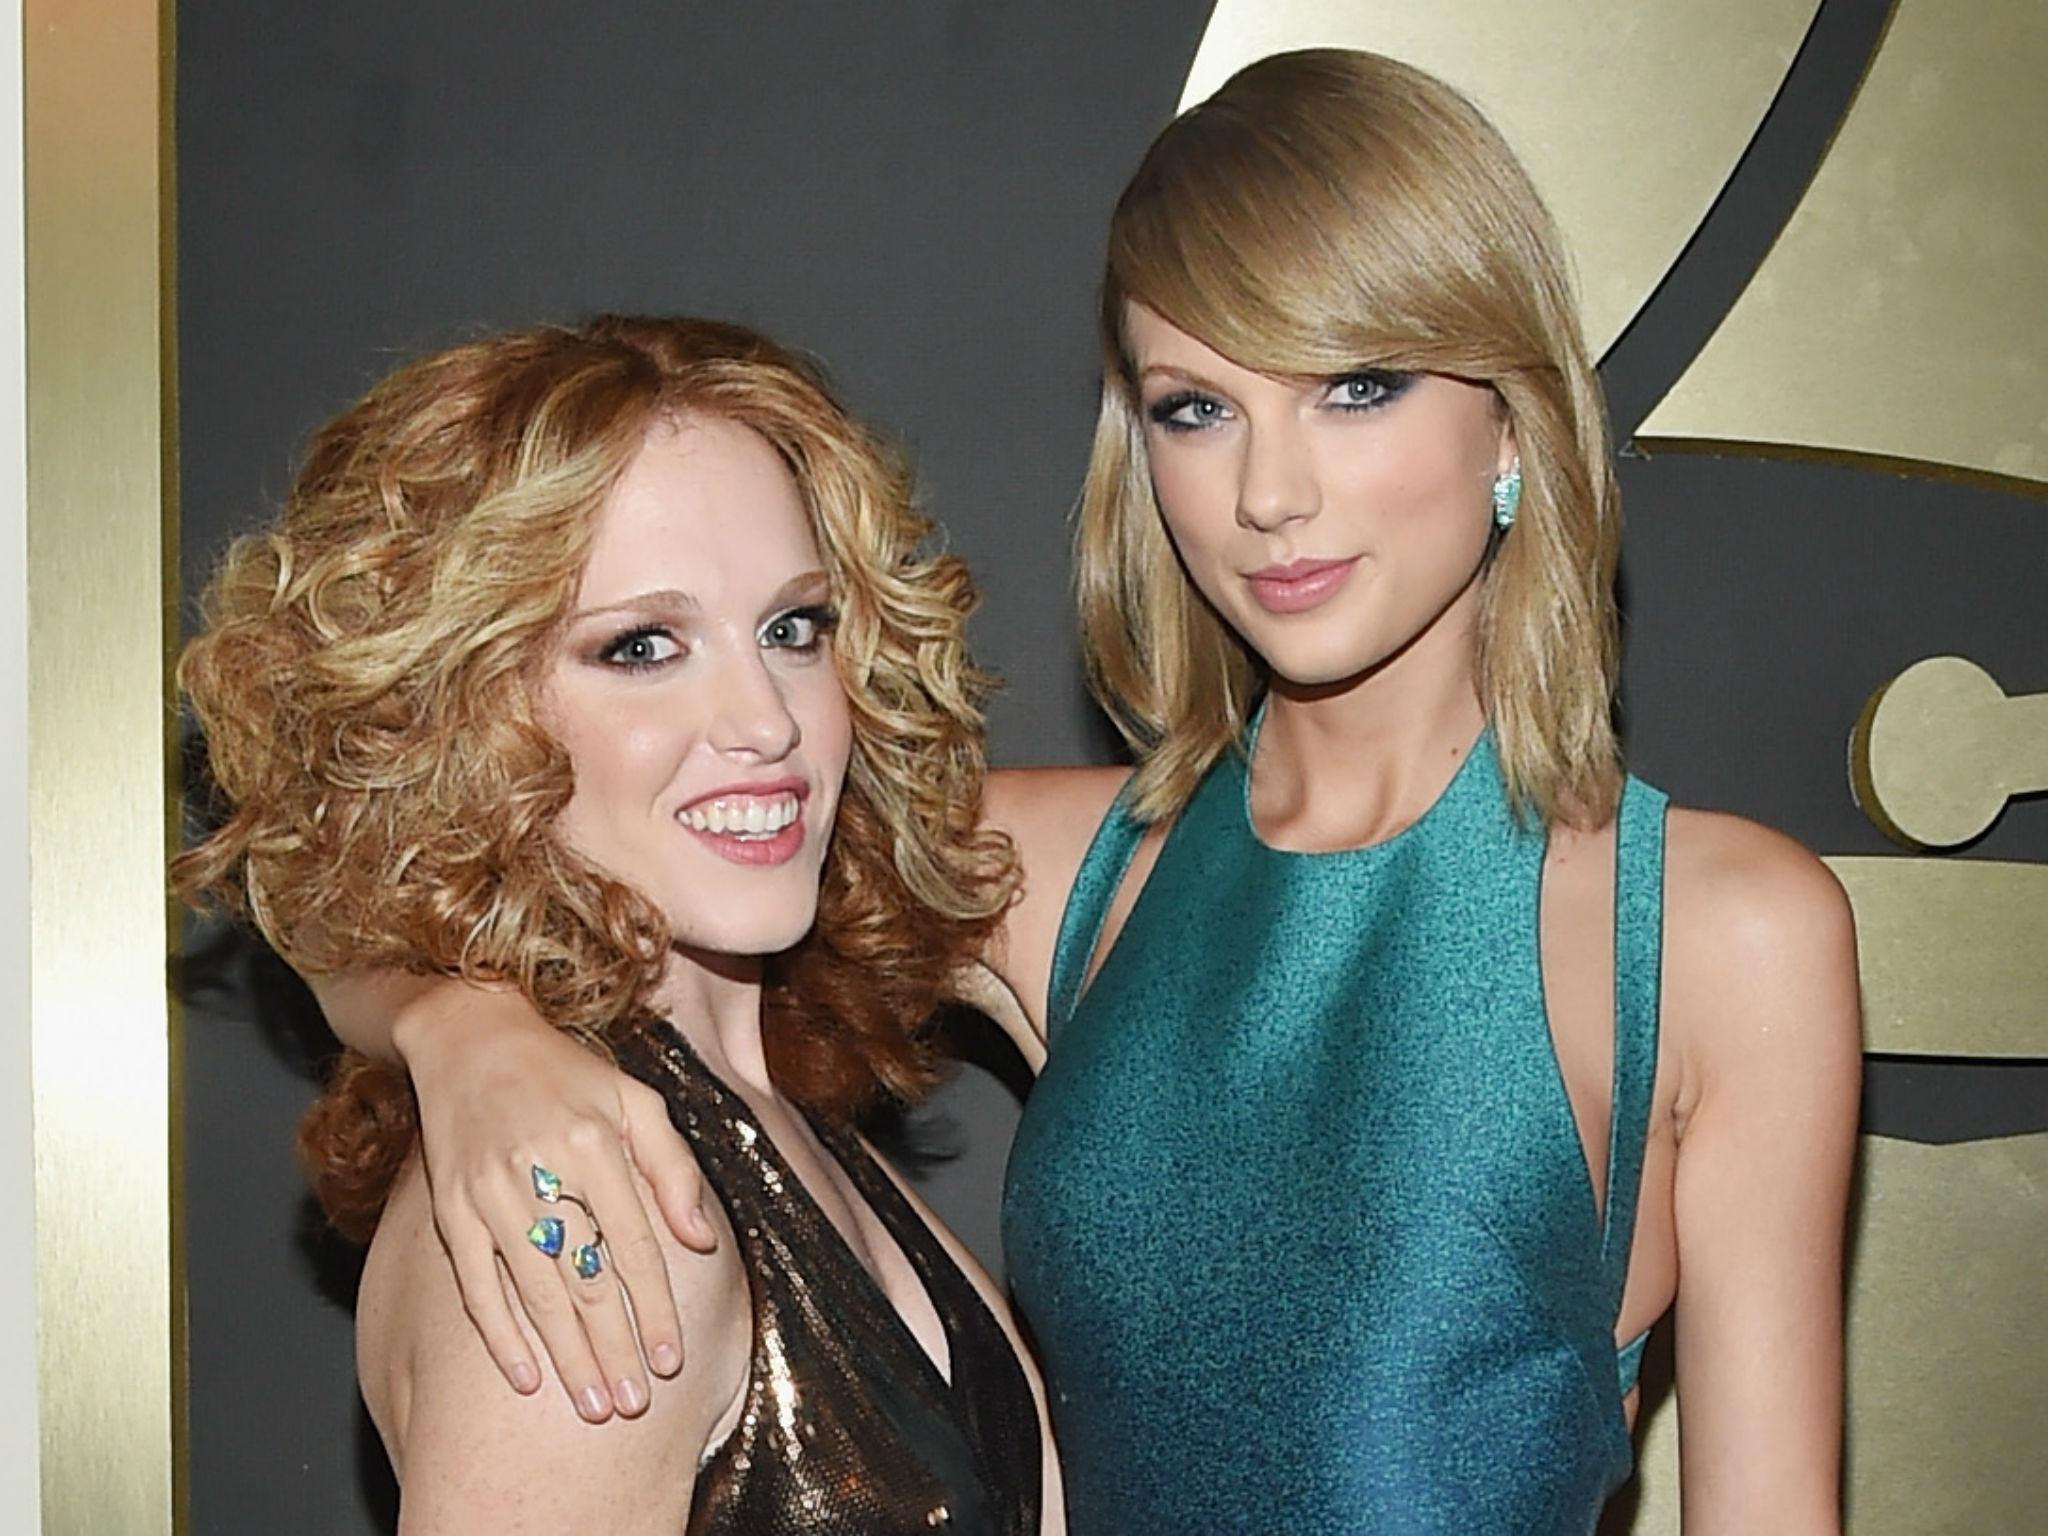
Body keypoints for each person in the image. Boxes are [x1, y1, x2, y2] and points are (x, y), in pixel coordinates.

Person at [310, 50, 1861, 1535]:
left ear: (1512, 424)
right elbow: (392, 857)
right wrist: (468, 1036)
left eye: (1358, 385)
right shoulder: (1068, 873)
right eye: (1198, 407)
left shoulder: (1721, 936)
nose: (1270, 493)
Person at [175, 316, 1063, 1534]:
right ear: (466, 712)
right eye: (642, 647)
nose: (763, 719)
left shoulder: (765, 1114)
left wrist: (442, 1017)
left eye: (793, 628)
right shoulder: (589, 1216)